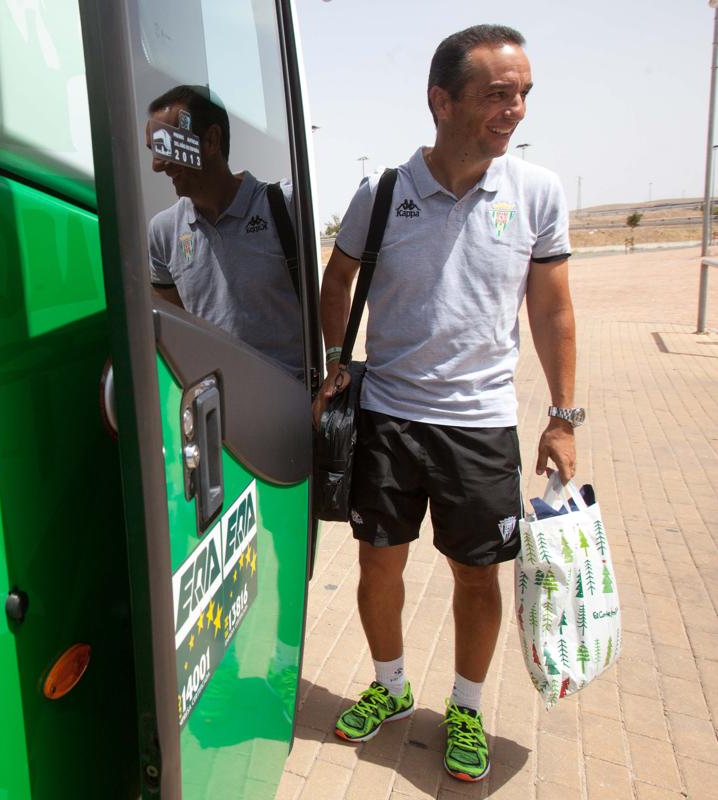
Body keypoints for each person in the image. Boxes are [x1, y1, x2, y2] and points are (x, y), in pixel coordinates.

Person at [313, 25, 579, 783]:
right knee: (378, 562)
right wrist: (336, 361)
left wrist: (564, 417)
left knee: (476, 574)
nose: (516, 109)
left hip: (481, 425)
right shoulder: (384, 191)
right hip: (390, 418)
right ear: (442, 100)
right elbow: (338, 281)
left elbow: (554, 312)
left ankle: (465, 706)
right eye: (499, 94)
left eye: (524, 94)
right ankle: (391, 689)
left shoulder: (536, 193)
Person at [146, 85, 304, 376]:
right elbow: (177, 333)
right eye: (153, 150)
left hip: (292, 405)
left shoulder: (286, 205)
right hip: (215, 410)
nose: (157, 165)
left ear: (211, 140)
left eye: (166, 146)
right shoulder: (162, 232)